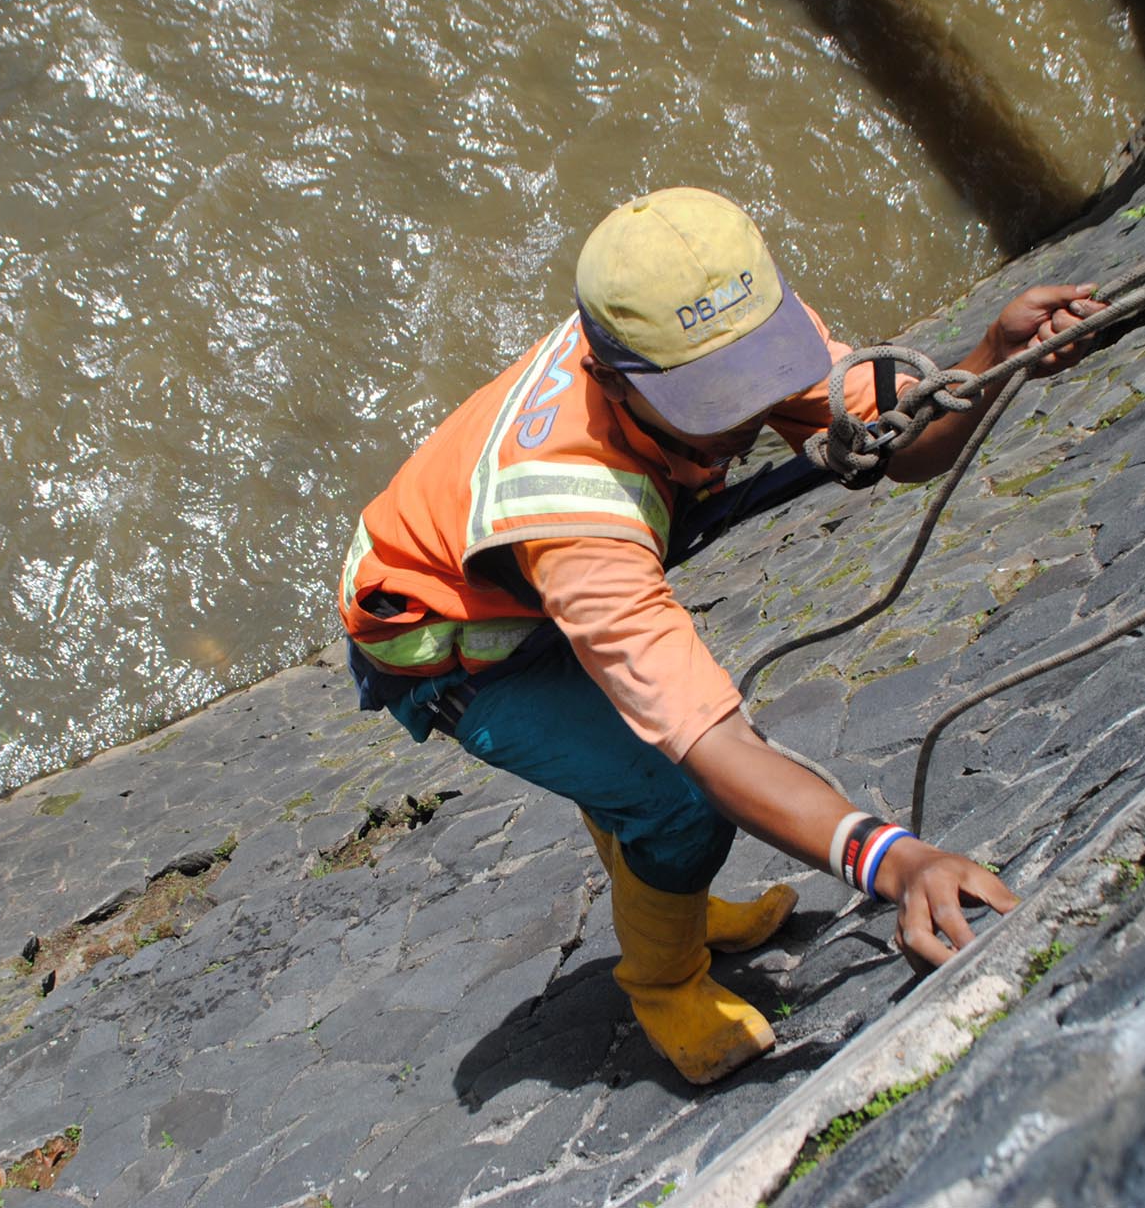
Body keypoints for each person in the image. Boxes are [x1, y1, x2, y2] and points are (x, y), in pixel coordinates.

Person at [336, 187, 1105, 1084]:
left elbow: (891, 437)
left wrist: (992, 358)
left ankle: (675, 901)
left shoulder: (726, 325)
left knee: (637, 770)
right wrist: (897, 861)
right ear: (619, 376)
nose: (751, 411)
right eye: (716, 402)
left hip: (521, 584)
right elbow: (711, 744)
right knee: (676, 802)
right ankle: (665, 981)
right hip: (455, 642)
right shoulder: (575, 516)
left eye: (759, 374)